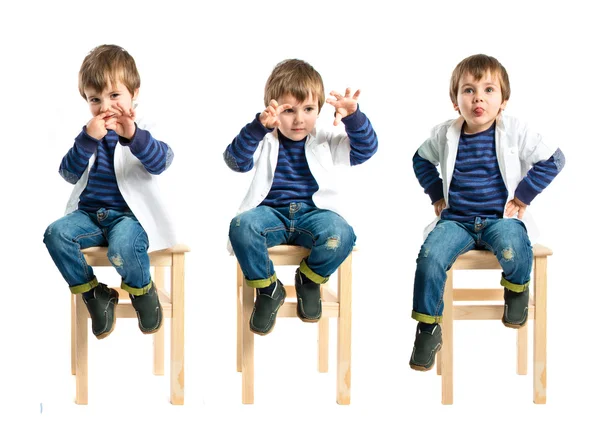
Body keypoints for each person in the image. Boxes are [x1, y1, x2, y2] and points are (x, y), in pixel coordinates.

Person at [410, 54, 565, 371]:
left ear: (503, 101)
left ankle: (517, 288)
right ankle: (428, 328)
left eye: (488, 90)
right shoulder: (445, 134)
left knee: (514, 245)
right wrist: (436, 195)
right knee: (430, 257)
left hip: (499, 219)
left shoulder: (515, 130)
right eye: (468, 90)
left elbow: (555, 159)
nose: (478, 97)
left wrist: (523, 195)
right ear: (456, 101)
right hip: (458, 222)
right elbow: (420, 159)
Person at [225, 59, 378, 335]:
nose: (299, 119)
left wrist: (354, 117)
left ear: (319, 109)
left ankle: (309, 279)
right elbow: (235, 160)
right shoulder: (265, 137)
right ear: (273, 109)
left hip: (314, 215)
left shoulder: (325, 139)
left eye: (308, 109)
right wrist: (258, 127)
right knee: (241, 227)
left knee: (342, 233)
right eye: (288, 110)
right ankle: (269, 289)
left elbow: (365, 150)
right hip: (271, 214)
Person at [44, 44, 176, 339]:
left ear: (134, 92)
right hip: (90, 216)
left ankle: (143, 290)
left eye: (114, 96)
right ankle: (95, 295)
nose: (105, 107)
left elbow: (161, 163)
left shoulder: (143, 128)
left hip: (129, 218)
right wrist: (86, 140)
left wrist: (133, 135)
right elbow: (68, 173)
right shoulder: (90, 133)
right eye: (95, 99)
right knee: (55, 234)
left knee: (123, 248)